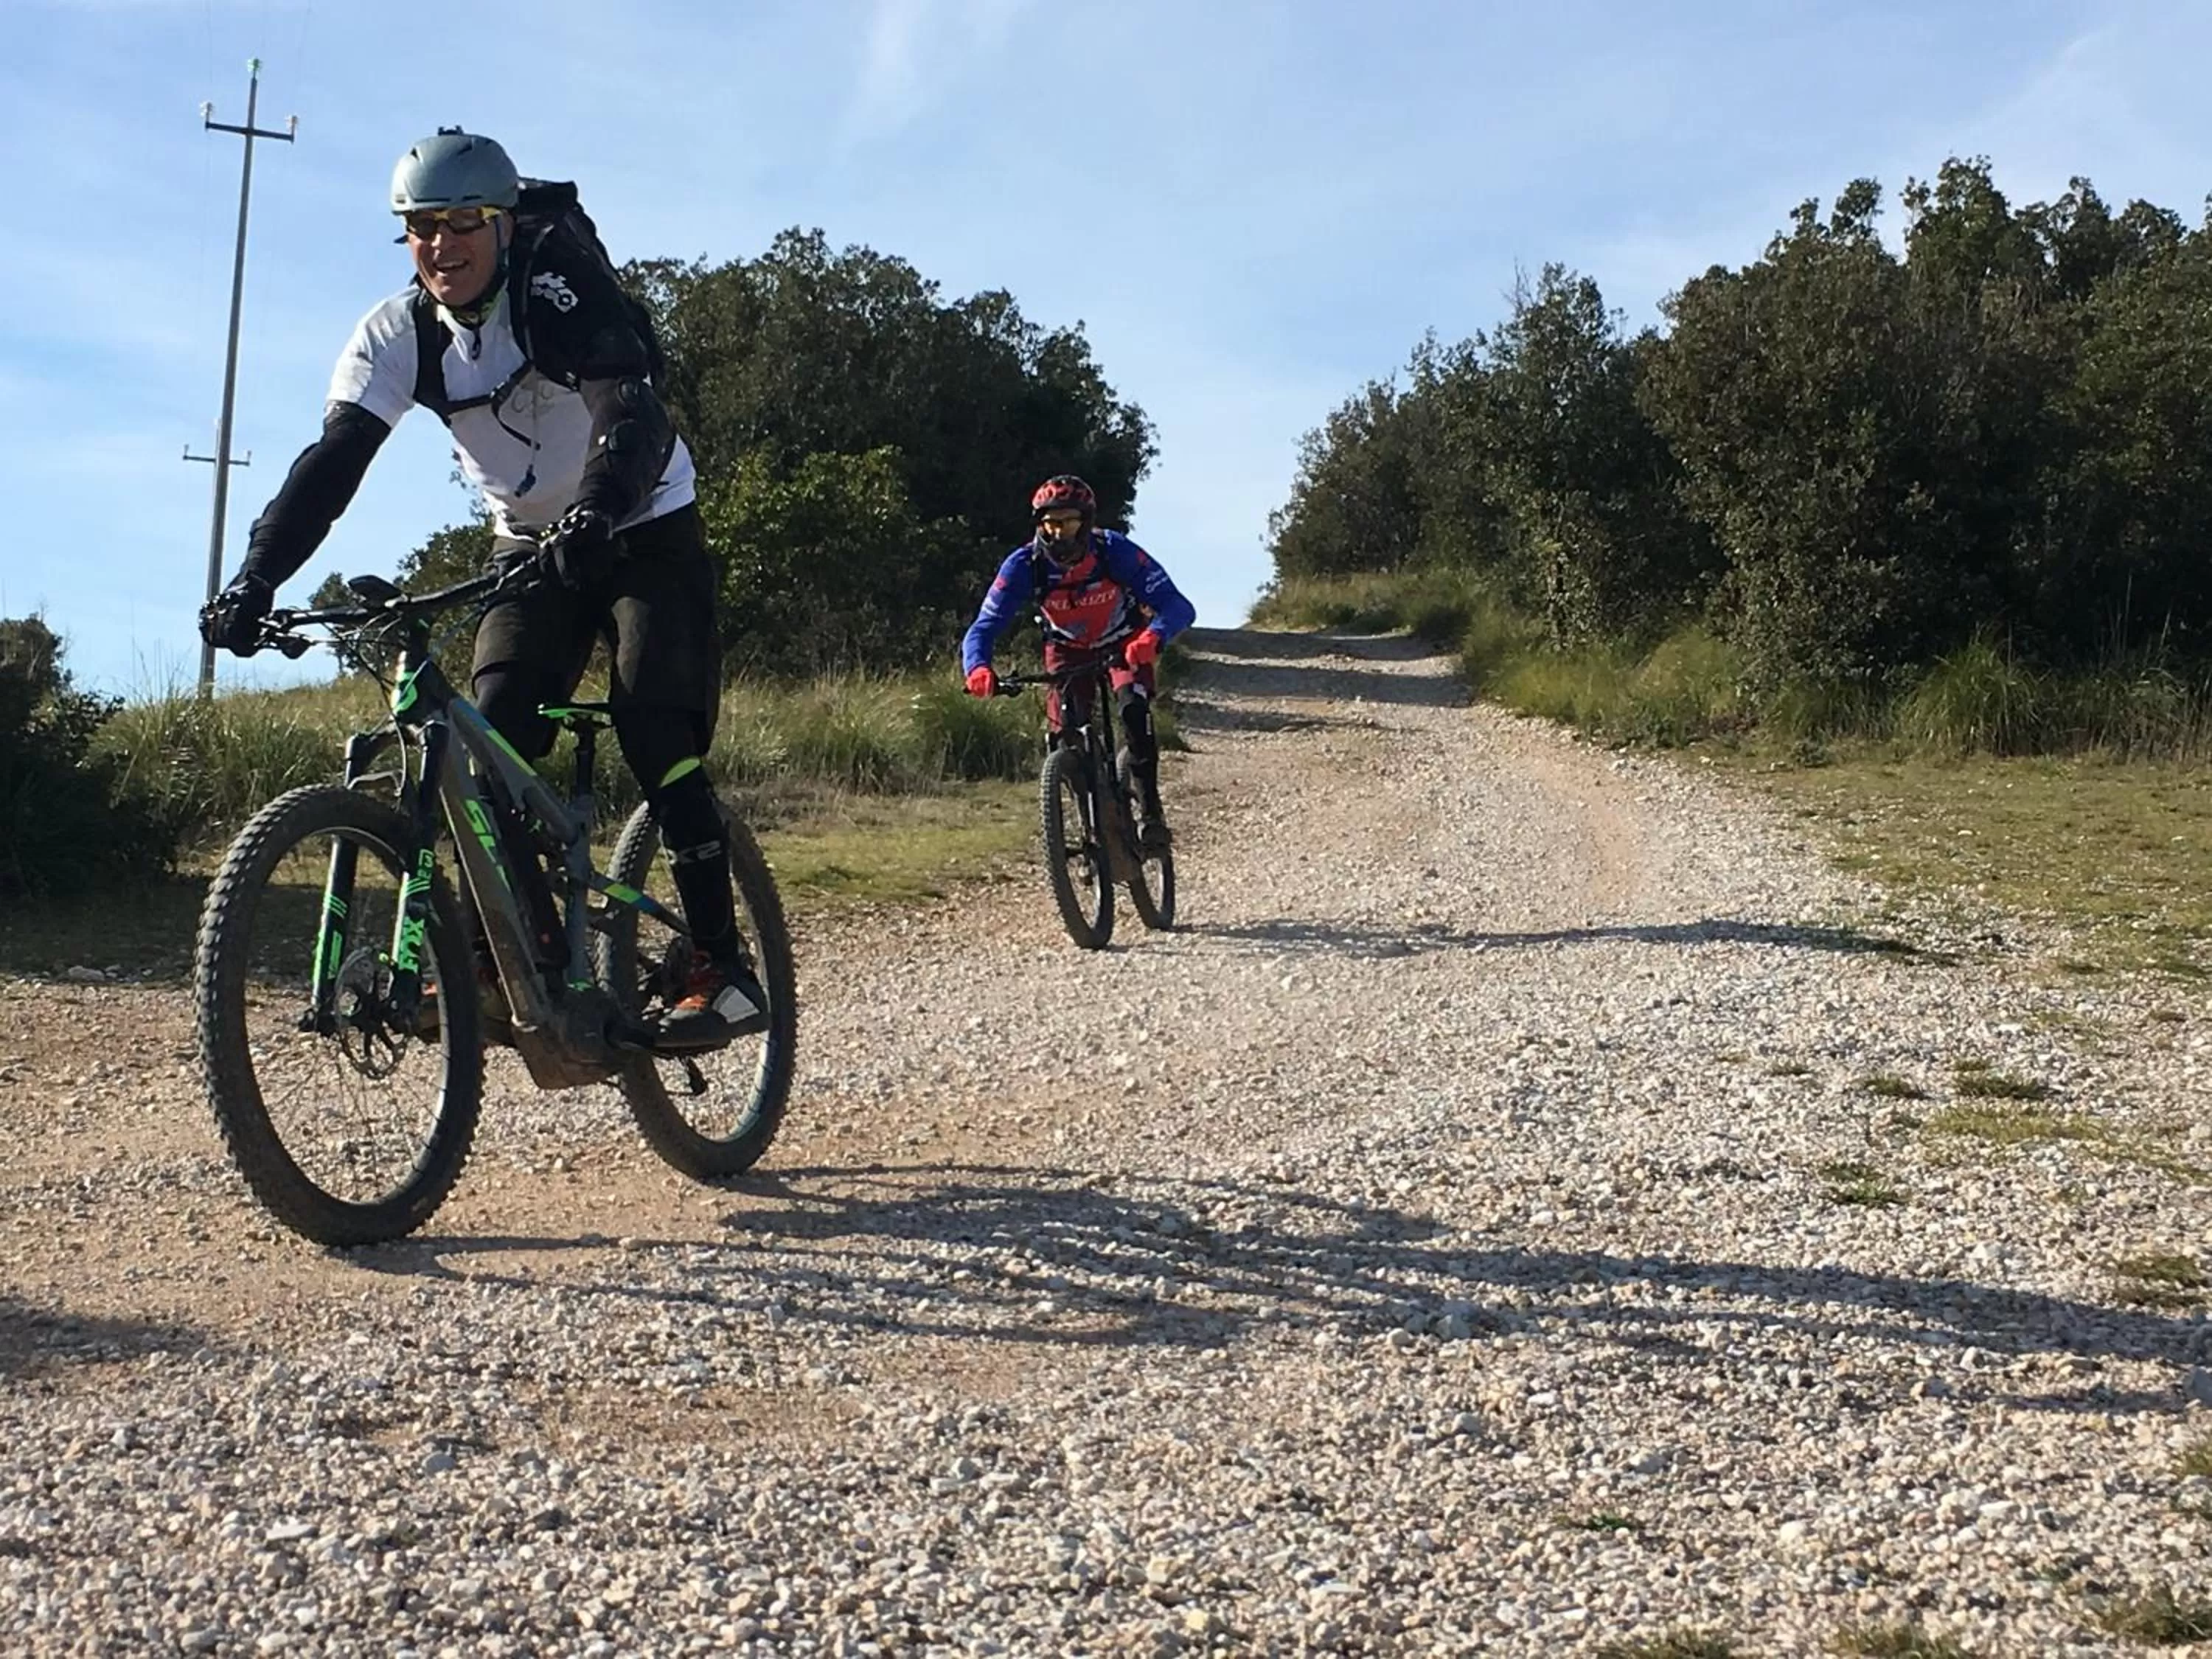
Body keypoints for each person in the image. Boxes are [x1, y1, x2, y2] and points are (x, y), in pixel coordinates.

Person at [198, 128, 760, 1049]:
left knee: (656, 726)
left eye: (463, 223)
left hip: (644, 521)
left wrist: (597, 510)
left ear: (502, 226)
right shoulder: (398, 333)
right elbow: (333, 463)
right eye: (420, 227)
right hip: (530, 546)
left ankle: (720, 964)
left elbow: (630, 408)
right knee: (488, 741)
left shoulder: (556, 290)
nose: (441, 244)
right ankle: (509, 956)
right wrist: (255, 580)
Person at [961, 475, 1196, 846]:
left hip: (1125, 643)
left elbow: (1178, 605)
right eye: (1051, 524)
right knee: (1064, 736)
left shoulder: (1113, 551)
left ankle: (1151, 814)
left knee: (1133, 712)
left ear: (1086, 522)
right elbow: (984, 626)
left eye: (1069, 522)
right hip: (1067, 649)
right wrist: (977, 667)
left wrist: (1154, 637)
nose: (1060, 534)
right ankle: (1090, 820)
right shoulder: (1024, 565)